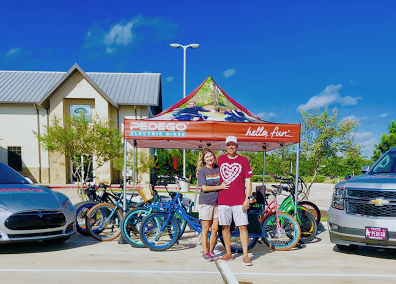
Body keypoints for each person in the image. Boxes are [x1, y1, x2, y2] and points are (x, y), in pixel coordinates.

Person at [217, 135, 253, 266]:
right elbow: (210, 170)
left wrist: (247, 198)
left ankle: (245, 255)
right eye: (228, 145)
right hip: (223, 200)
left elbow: (248, 182)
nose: (231, 147)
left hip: (239, 200)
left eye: (233, 145)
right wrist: (200, 172)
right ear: (225, 146)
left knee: (242, 227)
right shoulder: (220, 159)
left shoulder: (243, 160)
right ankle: (228, 253)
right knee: (225, 227)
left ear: (237, 146)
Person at [197, 148, 229, 261]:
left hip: (218, 203)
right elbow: (204, 188)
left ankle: (211, 251)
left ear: (214, 157)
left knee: (215, 229)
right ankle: (205, 252)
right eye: (207, 157)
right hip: (206, 203)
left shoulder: (219, 169)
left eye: (211, 156)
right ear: (204, 160)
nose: (209, 158)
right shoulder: (202, 171)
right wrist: (219, 187)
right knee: (205, 229)